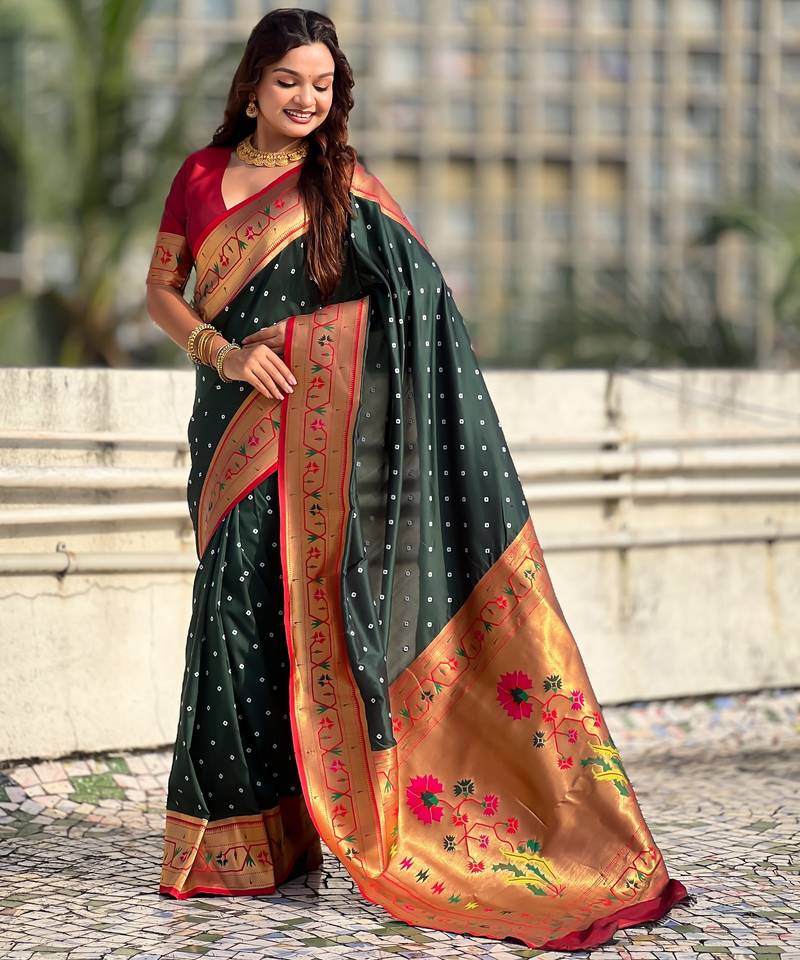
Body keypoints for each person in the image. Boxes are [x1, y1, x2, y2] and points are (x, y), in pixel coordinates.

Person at [145, 7, 689, 951]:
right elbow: (163, 289)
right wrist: (223, 353)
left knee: (305, 614)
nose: (307, 99)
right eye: (288, 82)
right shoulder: (199, 175)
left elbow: (420, 302)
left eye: (323, 85)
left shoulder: (343, 185)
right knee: (230, 612)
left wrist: (310, 344)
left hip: (319, 440)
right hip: (229, 425)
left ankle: (340, 823)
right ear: (252, 86)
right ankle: (242, 843)